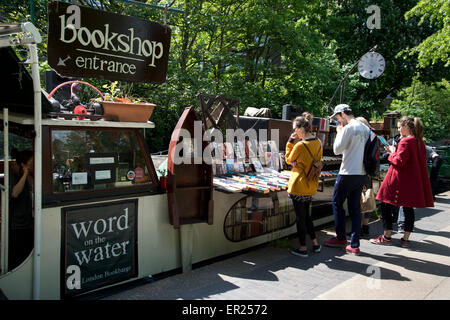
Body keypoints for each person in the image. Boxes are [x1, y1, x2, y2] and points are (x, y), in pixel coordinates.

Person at [371, 116, 433, 248]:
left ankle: (387, 236)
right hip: (412, 181)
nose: (398, 130)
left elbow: (399, 161)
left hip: (398, 180)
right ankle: (406, 239)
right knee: (408, 208)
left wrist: (392, 152)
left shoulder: (406, 141)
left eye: (400, 127)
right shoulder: (420, 142)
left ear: (407, 126)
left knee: (385, 205)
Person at [324, 104, 370, 255]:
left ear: (343, 114)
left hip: (347, 172)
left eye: (337, 117)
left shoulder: (349, 128)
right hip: (361, 173)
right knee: (355, 208)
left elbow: (337, 149)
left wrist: (339, 131)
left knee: (337, 203)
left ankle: (341, 237)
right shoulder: (365, 128)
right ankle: (355, 244)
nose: (337, 120)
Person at [285, 116, 323, 257]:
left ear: (301, 128)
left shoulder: (300, 145)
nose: (294, 131)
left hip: (299, 184)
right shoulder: (318, 142)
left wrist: (290, 141)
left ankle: (302, 247)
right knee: (307, 215)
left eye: (295, 129)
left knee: (300, 218)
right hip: (311, 183)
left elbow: (288, 159)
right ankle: (315, 243)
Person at [8, 149, 34, 271]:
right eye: (31, 162)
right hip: (17, 225)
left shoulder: (32, 177)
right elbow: (14, 193)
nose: (34, 164)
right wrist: (24, 174)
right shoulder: (14, 176)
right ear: (23, 164)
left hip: (29, 223)